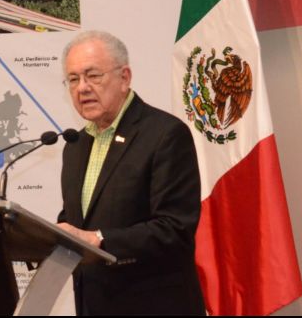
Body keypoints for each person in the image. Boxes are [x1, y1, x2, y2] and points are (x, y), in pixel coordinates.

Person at [56, 30, 205, 315]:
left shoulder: (164, 134)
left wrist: (99, 239)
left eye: (93, 76)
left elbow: (175, 229)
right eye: (73, 79)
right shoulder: (75, 145)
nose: (82, 88)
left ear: (124, 78)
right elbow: (77, 220)